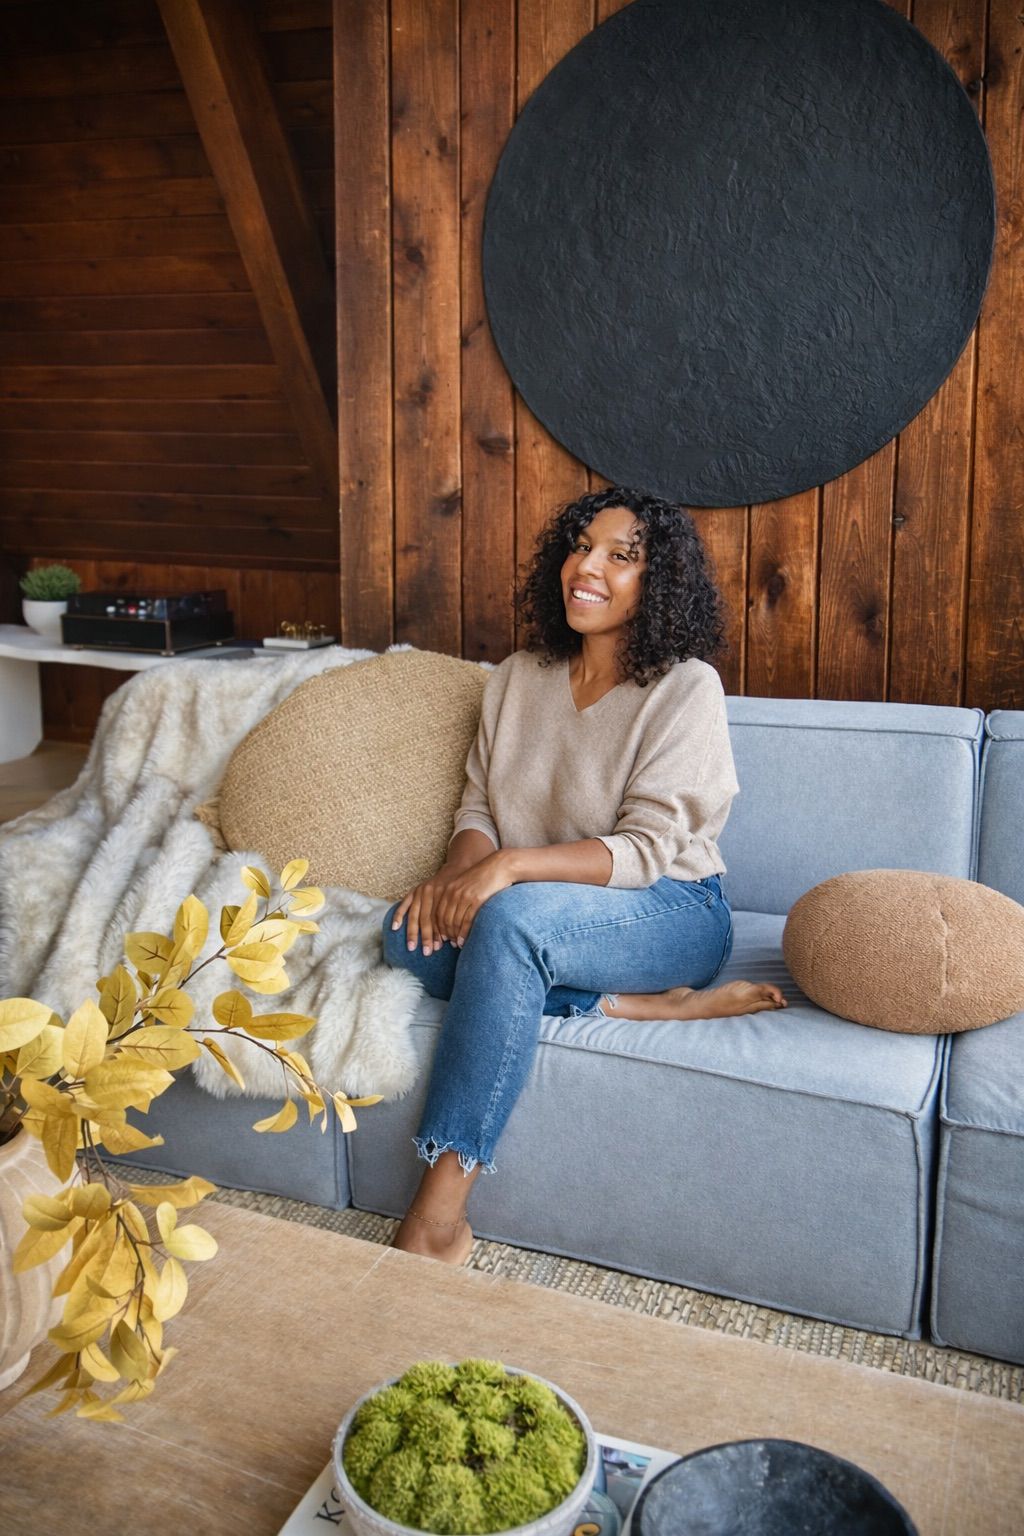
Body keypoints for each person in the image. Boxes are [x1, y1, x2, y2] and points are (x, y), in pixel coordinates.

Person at [382, 486, 785, 1263]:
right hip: (537, 910)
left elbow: (643, 851)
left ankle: (437, 1215)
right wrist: (454, 878)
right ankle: (630, 1008)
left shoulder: (684, 687)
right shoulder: (516, 678)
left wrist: (504, 872)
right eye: (579, 545)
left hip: (668, 909)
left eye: (620, 557)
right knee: (405, 936)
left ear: (656, 584)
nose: (586, 567)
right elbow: (479, 807)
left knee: (510, 924)